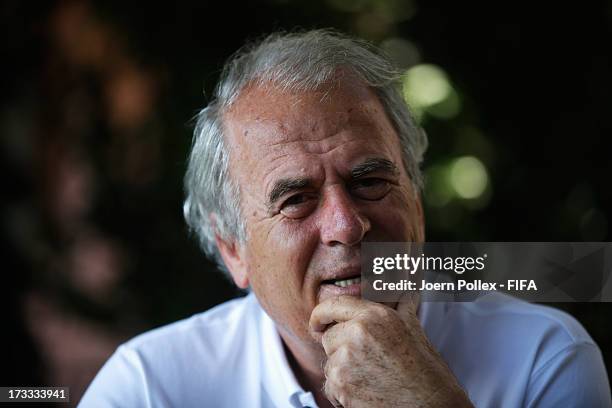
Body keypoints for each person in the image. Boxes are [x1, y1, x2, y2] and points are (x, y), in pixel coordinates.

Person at [79, 29, 611, 407]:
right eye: (296, 200)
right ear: (233, 249)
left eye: (370, 182)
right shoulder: (150, 387)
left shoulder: (543, 356)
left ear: (416, 205)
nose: (345, 225)